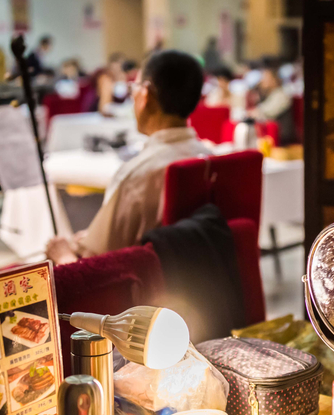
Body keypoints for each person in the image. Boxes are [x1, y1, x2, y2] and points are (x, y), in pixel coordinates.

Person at [46, 50, 211, 265]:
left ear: (145, 95)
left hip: (142, 289)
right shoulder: (210, 159)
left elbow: (99, 261)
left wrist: (64, 254)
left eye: (134, 87)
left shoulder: (138, 175)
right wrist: (90, 238)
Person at [250, 60, 296, 145]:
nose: (263, 80)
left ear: (274, 79)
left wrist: (254, 112)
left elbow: (266, 112)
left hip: (282, 137)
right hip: (269, 134)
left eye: (266, 77)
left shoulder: (282, 95)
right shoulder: (270, 94)